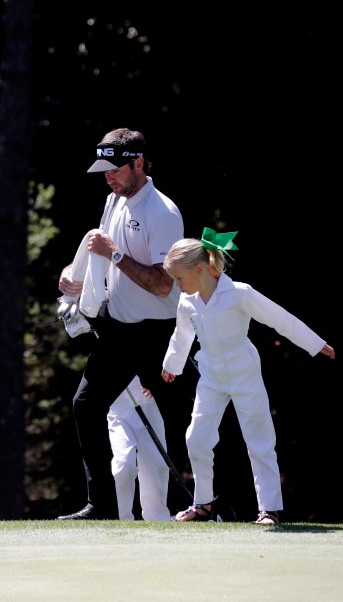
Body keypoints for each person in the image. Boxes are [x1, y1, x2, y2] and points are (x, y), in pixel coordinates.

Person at [57, 127, 193, 521]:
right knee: (86, 405)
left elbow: (163, 283)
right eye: (105, 171)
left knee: (190, 419)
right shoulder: (113, 200)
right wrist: (72, 274)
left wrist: (115, 256)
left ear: (138, 164)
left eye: (116, 169)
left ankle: (223, 504)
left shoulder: (162, 212)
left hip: (158, 334)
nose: (109, 177)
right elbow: (94, 253)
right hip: (118, 331)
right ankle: (100, 506)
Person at [161, 228, 335, 525]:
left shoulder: (239, 293)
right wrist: (171, 365)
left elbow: (279, 318)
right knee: (196, 438)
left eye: (179, 278)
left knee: (259, 439)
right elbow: (182, 336)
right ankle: (202, 504)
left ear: (200, 269)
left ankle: (269, 510)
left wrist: (316, 344)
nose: (177, 285)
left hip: (244, 372)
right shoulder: (187, 302)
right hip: (211, 375)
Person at [108, 377, 174, 521]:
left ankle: (158, 520)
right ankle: (122, 520)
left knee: (156, 467)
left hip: (151, 407)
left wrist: (156, 383)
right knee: (124, 465)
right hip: (119, 411)